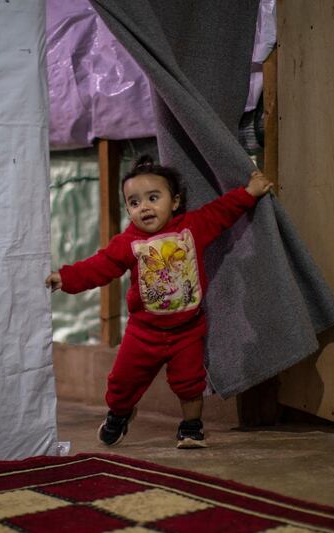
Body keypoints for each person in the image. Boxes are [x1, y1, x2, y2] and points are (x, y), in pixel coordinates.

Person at [45, 155, 273, 448]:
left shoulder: (193, 227)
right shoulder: (128, 243)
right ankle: (120, 413)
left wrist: (249, 192)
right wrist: (65, 278)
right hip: (144, 332)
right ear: (128, 209)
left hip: (187, 329)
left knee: (190, 382)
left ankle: (191, 427)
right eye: (135, 202)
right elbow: (99, 266)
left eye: (154, 198)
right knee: (122, 381)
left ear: (175, 202)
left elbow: (222, 211)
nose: (145, 207)